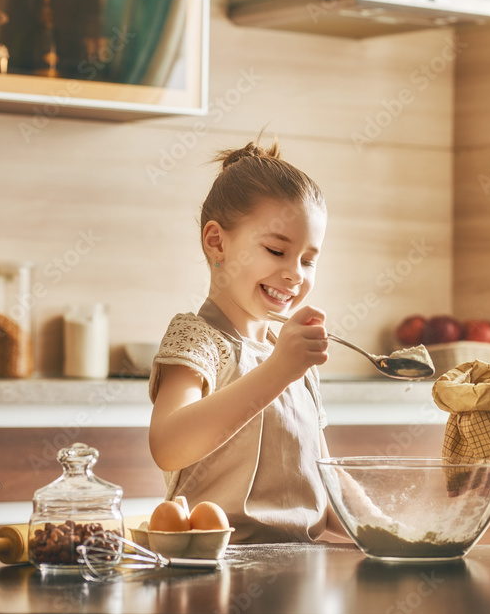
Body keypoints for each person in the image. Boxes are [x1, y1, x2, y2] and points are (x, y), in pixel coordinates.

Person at [148, 136, 347, 544]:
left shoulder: (293, 357)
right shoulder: (199, 339)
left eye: (309, 260)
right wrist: (279, 370)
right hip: (219, 575)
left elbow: (326, 483)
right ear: (217, 242)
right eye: (277, 251)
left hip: (304, 578)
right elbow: (168, 445)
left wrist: (393, 531)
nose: (295, 274)